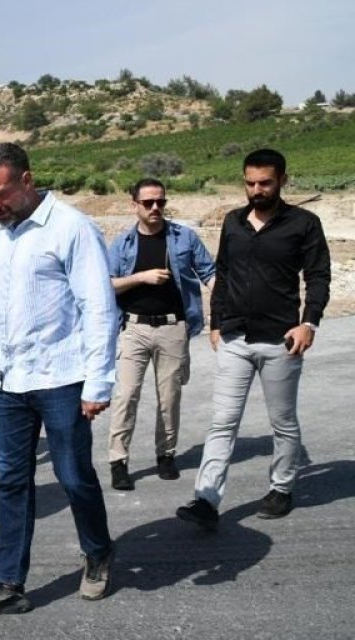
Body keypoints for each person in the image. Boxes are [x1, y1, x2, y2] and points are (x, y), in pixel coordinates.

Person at [0, 143, 117, 619]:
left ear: (27, 180)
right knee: (11, 482)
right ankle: (8, 582)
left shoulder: (72, 228)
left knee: (73, 476)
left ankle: (98, 551)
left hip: (62, 377)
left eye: (0, 195)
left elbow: (98, 306)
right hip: (9, 379)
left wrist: (98, 382)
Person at [176, 149, 331, 531]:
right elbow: (223, 273)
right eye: (250, 183)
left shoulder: (304, 223)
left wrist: (308, 323)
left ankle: (281, 487)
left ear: (282, 181)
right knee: (223, 422)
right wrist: (215, 322)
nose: (256, 190)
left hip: (282, 340)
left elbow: (318, 276)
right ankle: (206, 499)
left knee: (282, 422)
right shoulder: (233, 222)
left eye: (265, 183)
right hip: (234, 338)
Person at [105, 178, 216, 490]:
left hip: (173, 328)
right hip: (133, 328)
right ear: (134, 205)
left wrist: (222, 304)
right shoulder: (124, 243)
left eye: (161, 202)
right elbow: (108, 282)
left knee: (169, 397)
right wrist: (141, 277)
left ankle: (165, 454)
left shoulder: (184, 237)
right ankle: (118, 460)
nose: (155, 208)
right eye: (148, 203)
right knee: (126, 396)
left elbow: (209, 272)